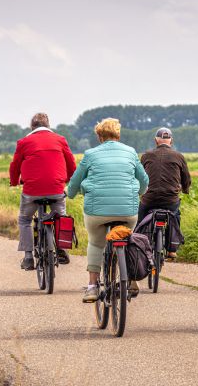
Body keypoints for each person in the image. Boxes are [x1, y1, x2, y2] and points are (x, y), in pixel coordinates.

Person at [67, 118, 149, 302]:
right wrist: (138, 192)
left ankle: (92, 287)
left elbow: (74, 182)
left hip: (97, 212)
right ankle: (131, 279)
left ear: (99, 136)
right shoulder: (130, 152)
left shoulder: (90, 154)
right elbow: (144, 181)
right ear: (118, 134)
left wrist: (71, 193)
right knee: (127, 239)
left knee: (96, 243)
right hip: (127, 211)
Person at [9, 113, 76, 271]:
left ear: (32, 127)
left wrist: (13, 182)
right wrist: (69, 179)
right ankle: (62, 249)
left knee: (25, 220)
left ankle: (27, 257)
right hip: (56, 189)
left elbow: (15, 165)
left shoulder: (24, 142)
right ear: (48, 125)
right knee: (61, 218)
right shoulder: (60, 140)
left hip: (32, 191)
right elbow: (71, 163)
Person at [138, 127, 191, 259]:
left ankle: (138, 245)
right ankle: (172, 249)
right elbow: (186, 179)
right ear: (171, 140)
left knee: (140, 219)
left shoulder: (146, 156)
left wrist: (139, 191)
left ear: (156, 140)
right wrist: (185, 190)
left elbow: (138, 177)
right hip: (170, 201)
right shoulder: (179, 156)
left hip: (149, 199)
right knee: (175, 215)